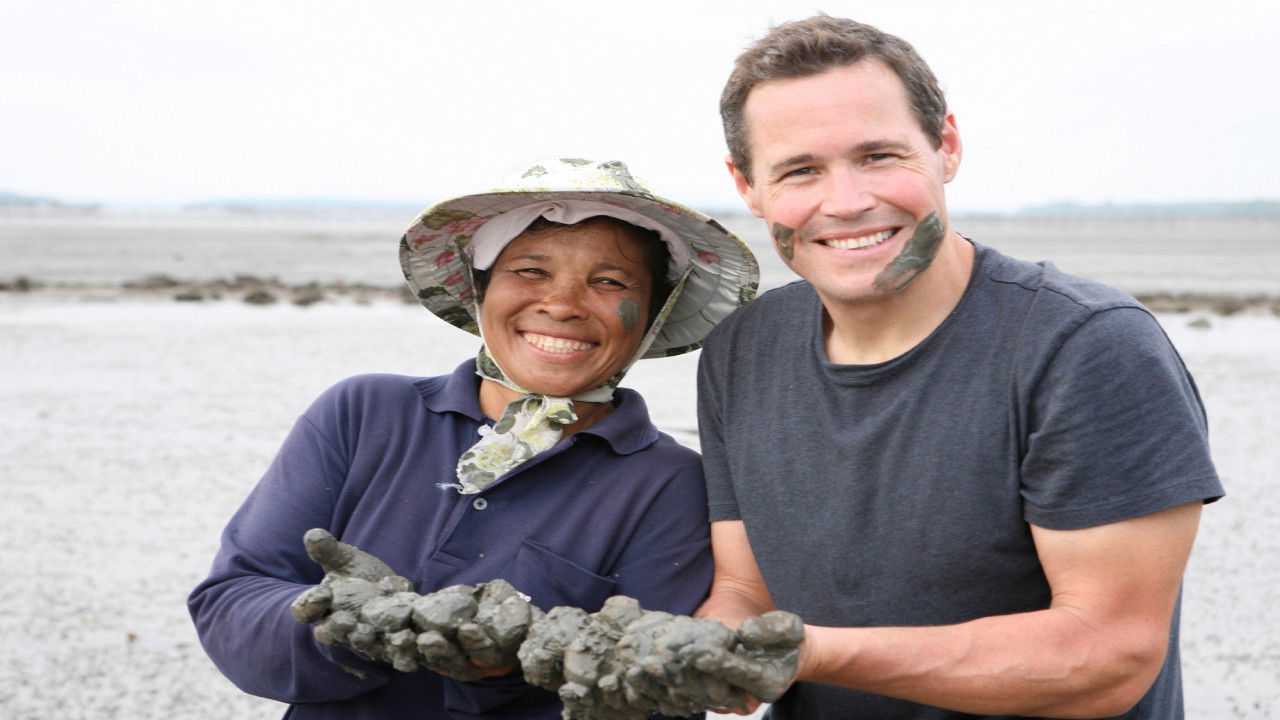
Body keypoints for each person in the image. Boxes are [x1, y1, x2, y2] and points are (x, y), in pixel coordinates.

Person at [693, 15, 1223, 720]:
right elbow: (746, 591)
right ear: (747, 186)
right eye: (800, 170)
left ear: (946, 145)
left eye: (879, 156)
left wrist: (809, 653)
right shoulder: (742, 349)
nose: (847, 202)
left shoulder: (1086, 348)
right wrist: (700, 652)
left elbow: (1107, 655)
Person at [188, 157, 759, 720]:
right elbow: (232, 601)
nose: (561, 305)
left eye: (609, 282)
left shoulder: (670, 483)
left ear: (655, 313)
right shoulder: (365, 413)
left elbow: (654, 696)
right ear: (477, 288)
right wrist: (349, 628)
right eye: (530, 271)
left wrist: (510, 661)